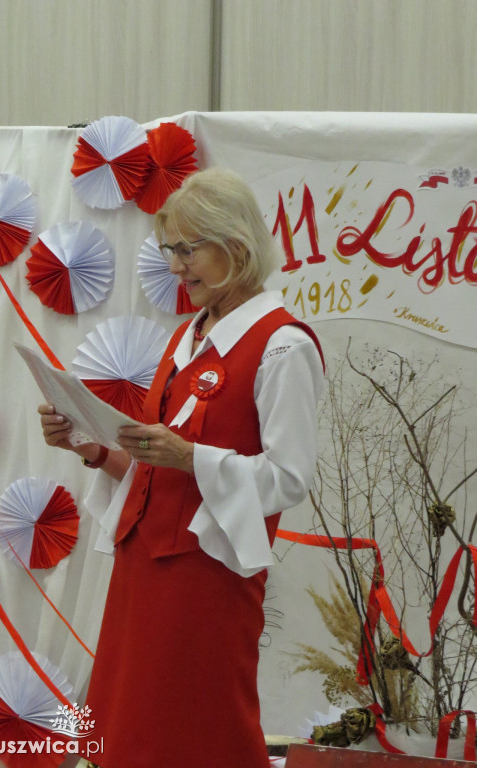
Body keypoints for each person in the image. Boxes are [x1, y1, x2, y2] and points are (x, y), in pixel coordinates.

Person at [38, 167, 325, 768]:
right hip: (142, 567)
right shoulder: (188, 335)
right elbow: (158, 473)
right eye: (170, 249)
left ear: (237, 249)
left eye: (187, 250)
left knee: (194, 730)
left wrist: (191, 456)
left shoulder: (284, 346)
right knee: (132, 726)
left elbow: (289, 481)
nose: (174, 267)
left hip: (208, 579)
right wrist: (90, 448)